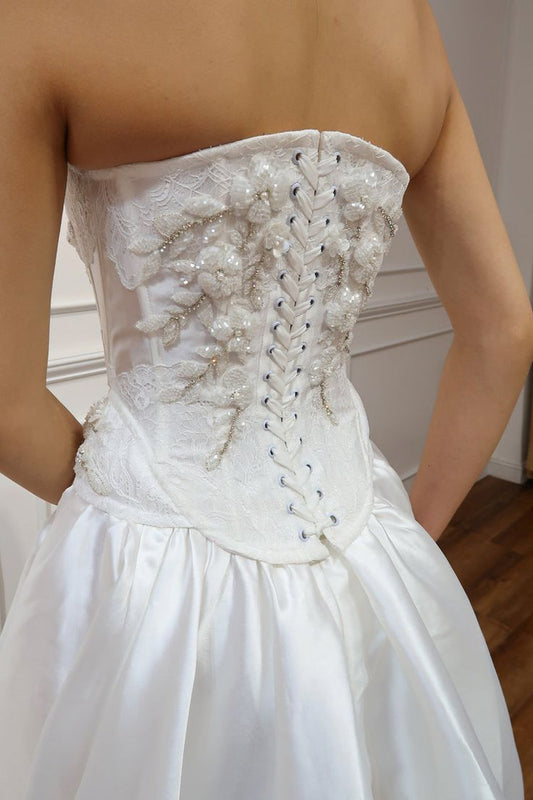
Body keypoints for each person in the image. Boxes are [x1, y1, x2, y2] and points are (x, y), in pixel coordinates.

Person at [0, 0, 531, 797]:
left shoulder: (42, 16)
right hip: (363, 546)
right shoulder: (408, 22)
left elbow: (5, 405)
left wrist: (130, 493)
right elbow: (502, 333)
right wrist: (405, 541)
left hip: (149, 586)